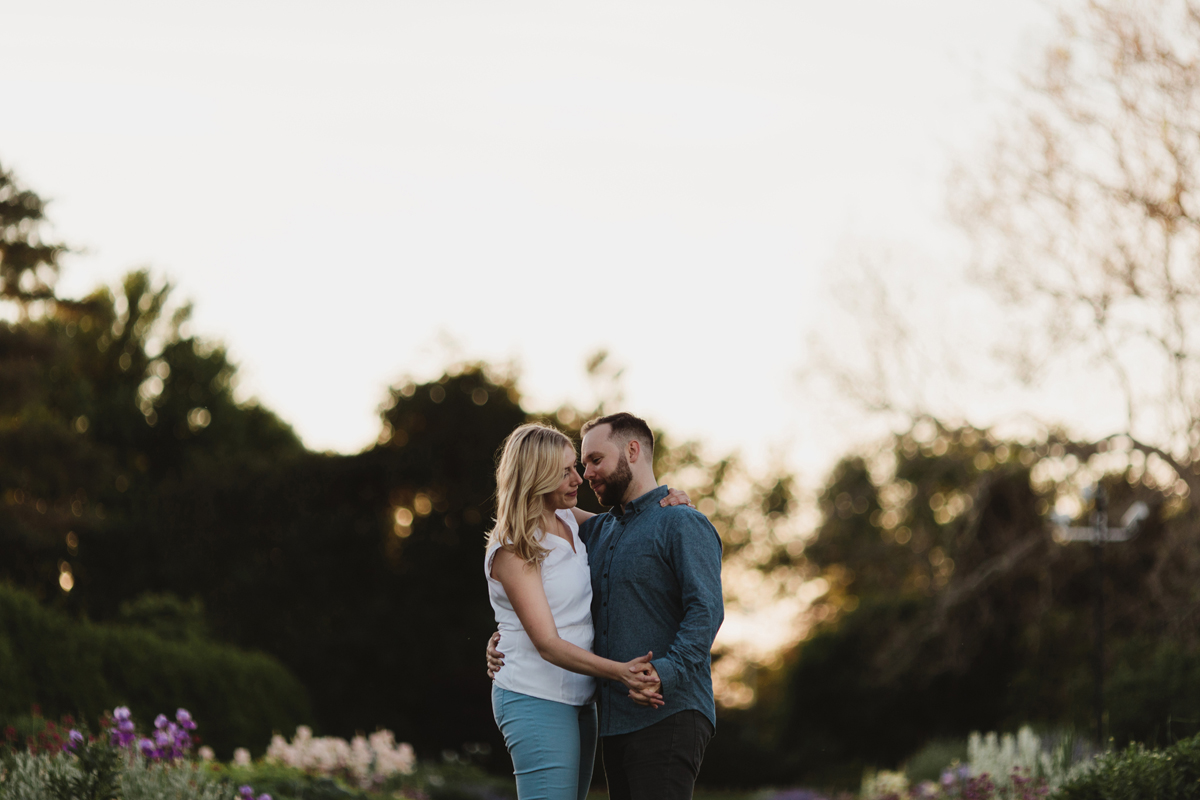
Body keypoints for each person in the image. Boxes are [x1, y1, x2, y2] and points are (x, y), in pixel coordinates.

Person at [490, 412, 724, 800]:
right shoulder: (598, 530)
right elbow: (536, 573)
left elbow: (706, 611)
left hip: (667, 709)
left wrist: (661, 673)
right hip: (614, 718)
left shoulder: (680, 522)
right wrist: (507, 634)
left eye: (594, 460)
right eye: (579, 466)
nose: (585, 475)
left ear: (632, 451)